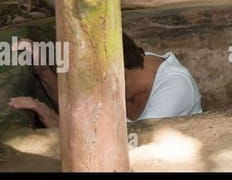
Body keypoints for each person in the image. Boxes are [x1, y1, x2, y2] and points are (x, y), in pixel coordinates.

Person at [8, 33, 202, 127]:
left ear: (116, 72)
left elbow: (132, 151)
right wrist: (43, 71)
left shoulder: (175, 87)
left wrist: (53, 121)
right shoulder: (122, 71)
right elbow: (80, 109)